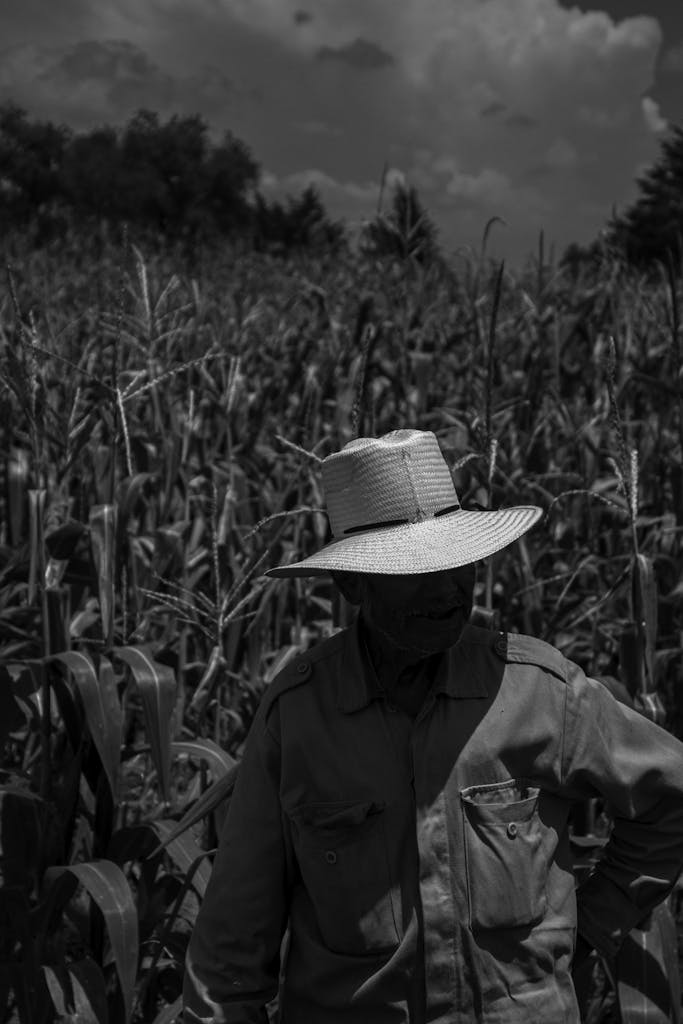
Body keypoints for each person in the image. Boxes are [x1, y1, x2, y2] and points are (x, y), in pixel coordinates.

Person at [182, 429, 683, 1023]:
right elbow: (230, 953)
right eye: (416, 569)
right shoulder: (298, 717)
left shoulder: (539, 691)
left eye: (459, 562)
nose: (448, 589)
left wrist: (594, 922)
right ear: (351, 583)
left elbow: (670, 797)